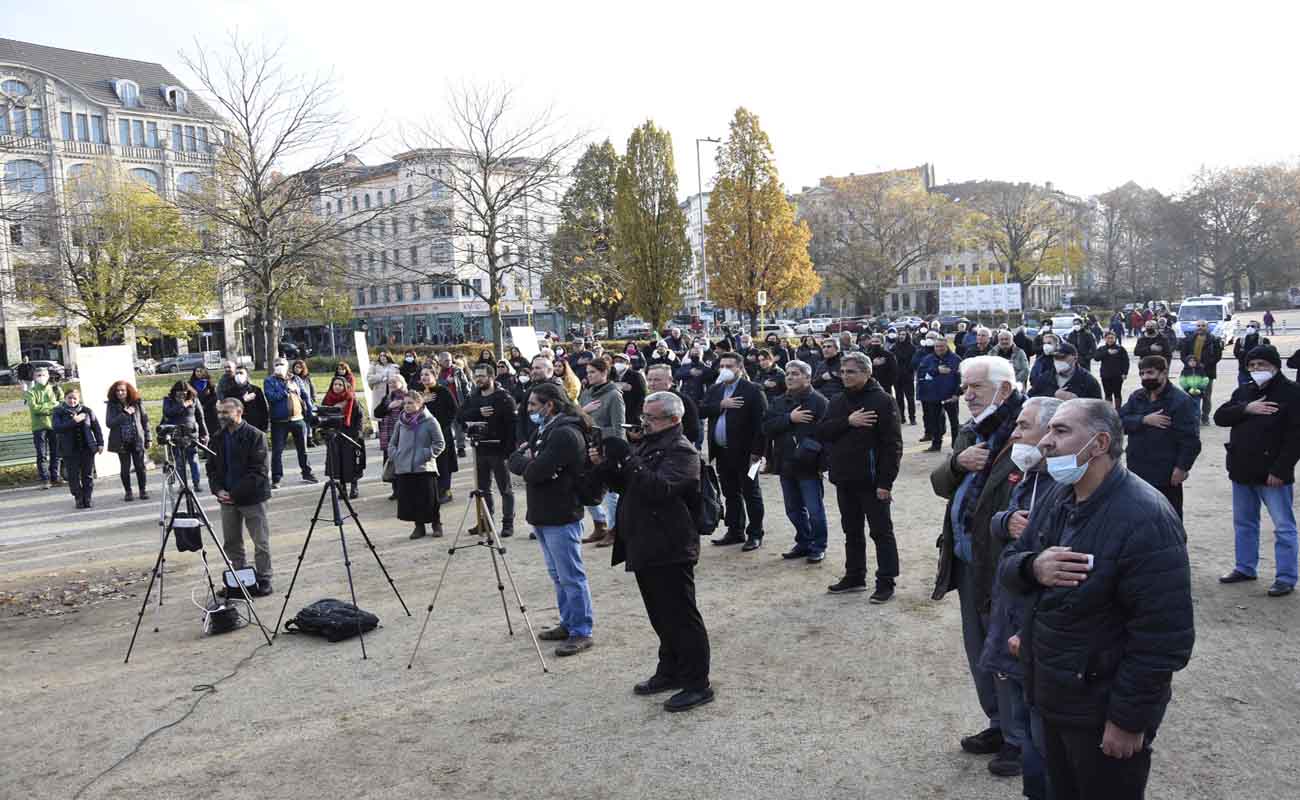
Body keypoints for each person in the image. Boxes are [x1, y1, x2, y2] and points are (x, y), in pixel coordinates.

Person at [998, 399, 1195, 799]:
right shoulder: (1059, 495)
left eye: (1061, 431)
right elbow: (1008, 566)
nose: (1047, 442)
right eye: (1049, 430)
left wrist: (1128, 720)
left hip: (1100, 708)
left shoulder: (1145, 517)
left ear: (1100, 443)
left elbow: (1163, 637)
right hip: (1052, 695)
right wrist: (1034, 566)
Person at [928, 355, 1025, 762]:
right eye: (965, 387)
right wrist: (956, 462)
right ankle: (998, 725)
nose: (966, 395)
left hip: (1007, 567)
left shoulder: (1028, 433)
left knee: (1007, 651)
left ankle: (1020, 740)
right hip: (969, 560)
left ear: (1003, 390)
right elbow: (940, 484)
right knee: (980, 649)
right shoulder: (973, 431)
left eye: (975, 388)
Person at [592, 391, 713, 712]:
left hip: (671, 544)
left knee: (682, 617)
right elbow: (629, 485)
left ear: (674, 420)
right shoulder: (649, 443)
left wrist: (628, 460)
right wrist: (607, 465)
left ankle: (698, 683)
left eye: (651, 418)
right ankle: (670, 669)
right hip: (644, 541)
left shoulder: (682, 451)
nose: (644, 423)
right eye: (644, 416)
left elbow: (659, 489)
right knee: (659, 614)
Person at [981, 396, 1061, 790]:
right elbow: (998, 517)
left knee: (1042, 726)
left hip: (1033, 621)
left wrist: (1027, 628)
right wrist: (1005, 520)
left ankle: (1024, 750)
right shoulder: (1028, 474)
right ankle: (1014, 741)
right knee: (1011, 686)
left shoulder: (1065, 485)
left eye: (1023, 426)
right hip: (1010, 605)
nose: (1014, 434)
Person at [508, 381, 596, 657]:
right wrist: (528, 462)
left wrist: (529, 463)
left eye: (534, 405)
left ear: (550, 405)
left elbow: (535, 471)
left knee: (571, 575)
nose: (529, 410)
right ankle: (568, 622)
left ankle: (581, 630)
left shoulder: (565, 433)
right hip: (543, 510)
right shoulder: (545, 429)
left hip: (561, 511)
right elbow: (518, 459)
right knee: (557, 575)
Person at [1214, 344, 1300, 596]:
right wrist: (1246, 409)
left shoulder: (1292, 393)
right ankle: (1245, 567)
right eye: (1251, 365)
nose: (1256, 369)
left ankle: (1285, 576)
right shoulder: (1245, 390)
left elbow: (1296, 437)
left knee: (1283, 527)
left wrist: (1281, 469)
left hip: (1273, 474)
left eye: (1261, 365)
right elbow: (1221, 416)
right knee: (1244, 523)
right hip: (1242, 470)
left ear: (1274, 366)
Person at [815, 353, 902, 597]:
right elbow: (822, 431)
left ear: (867, 373)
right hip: (844, 479)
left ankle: (886, 581)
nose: (845, 376)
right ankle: (855, 576)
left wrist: (886, 482)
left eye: (851, 372)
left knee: (881, 532)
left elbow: (892, 445)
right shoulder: (837, 400)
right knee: (851, 531)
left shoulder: (883, 401)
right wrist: (848, 421)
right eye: (842, 372)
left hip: (873, 482)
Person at [763, 360, 830, 562]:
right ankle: (803, 541)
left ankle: (818, 545)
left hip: (809, 466)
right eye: (788, 374)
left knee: (814, 510)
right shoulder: (779, 401)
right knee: (792, 509)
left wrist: (820, 463)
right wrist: (789, 419)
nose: (790, 377)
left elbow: (827, 434)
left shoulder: (819, 401)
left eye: (795, 374)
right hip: (785, 463)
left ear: (808, 378)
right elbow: (766, 427)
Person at [701, 352, 769, 550]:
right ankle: (735, 531)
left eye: (729, 366)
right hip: (722, 451)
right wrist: (721, 405)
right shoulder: (715, 390)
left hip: (749, 454)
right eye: (722, 365)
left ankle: (755, 533)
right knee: (730, 493)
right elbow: (701, 410)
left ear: (739, 367)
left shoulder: (753, 390)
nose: (725, 369)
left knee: (751, 492)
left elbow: (761, 424)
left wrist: (758, 452)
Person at [1119, 356, 1201, 519]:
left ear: (1164, 373)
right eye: (1142, 373)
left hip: (1165, 472)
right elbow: (1118, 422)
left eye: (1150, 373)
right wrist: (1143, 420)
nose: (1145, 378)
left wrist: (1182, 468)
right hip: (1137, 467)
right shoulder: (1137, 397)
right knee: (1138, 516)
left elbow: (1190, 440)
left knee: (1168, 517)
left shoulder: (1181, 401)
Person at [209, 398, 275, 597]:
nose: (221, 416)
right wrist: (218, 490)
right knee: (231, 542)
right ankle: (238, 579)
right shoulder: (218, 437)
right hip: (226, 499)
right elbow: (211, 468)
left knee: (260, 541)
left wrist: (234, 494)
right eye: (220, 412)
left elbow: (259, 471)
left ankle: (264, 578)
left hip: (252, 497)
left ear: (239, 412)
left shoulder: (255, 436)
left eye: (226, 412)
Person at [459, 362, 518, 537]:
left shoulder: (504, 398)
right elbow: (460, 416)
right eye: (476, 376)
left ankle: (508, 524)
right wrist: (477, 412)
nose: (478, 379)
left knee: (505, 489)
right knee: (483, 489)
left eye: (482, 376)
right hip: (480, 450)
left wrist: (509, 451)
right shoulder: (473, 397)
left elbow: (512, 426)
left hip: (499, 450)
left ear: (491, 377)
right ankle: (486, 522)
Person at [579, 357, 626, 547]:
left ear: (604, 373)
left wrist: (599, 431)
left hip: (607, 449)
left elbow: (619, 428)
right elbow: (578, 419)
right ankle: (600, 524)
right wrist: (583, 412)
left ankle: (615, 531)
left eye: (593, 372)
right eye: (588, 372)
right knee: (586, 487)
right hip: (587, 447)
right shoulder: (587, 393)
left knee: (611, 493)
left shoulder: (614, 395)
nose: (589, 376)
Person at [388, 392, 446, 539]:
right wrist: (397, 456)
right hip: (404, 467)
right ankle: (419, 527)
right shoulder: (400, 423)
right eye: (405, 403)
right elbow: (392, 444)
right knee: (411, 499)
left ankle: (436, 524)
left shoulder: (430, 421)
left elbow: (440, 443)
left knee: (429, 499)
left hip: (424, 467)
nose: (407, 406)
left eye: (411, 403)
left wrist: (425, 455)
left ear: (420, 404)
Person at [264, 358, 317, 489]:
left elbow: (305, 396)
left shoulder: (296, 379)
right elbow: (271, 397)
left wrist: (310, 413)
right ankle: (276, 478)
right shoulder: (269, 381)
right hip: (279, 422)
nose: (279, 367)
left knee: (303, 449)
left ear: (287, 366)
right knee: (277, 452)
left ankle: (307, 473)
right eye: (276, 365)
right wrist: (285, 390)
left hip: (298, 420)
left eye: (282, 364)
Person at [52, 389, 104, 509]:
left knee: (88, 475)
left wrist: (100, 443)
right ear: (65, 398)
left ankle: (88, 497)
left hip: (87, 448)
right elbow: (57, 428)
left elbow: (96, 428)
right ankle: (78, 497)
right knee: (73, 476)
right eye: (69, 398)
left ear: (78, 399)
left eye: (75, 398)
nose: (72, 400)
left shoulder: (87, 411)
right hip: (69, 449)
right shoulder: (58, 411)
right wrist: (73, 421)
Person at [418, 367, 460, 505]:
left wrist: (442, 426)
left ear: (434, 376)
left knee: (444, 463)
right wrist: (422, 401)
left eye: (427, 374)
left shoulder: (443, 391)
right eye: (422, 375)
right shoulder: (419, 395)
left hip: (442, 433)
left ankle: (446, 491)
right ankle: (433, 491)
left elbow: (453, 410)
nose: (424, 377)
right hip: (424, 435)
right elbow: (412, 411)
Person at [106, 380, 151, 502]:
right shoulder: (112, 405)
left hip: (137, 439)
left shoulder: (137, 403)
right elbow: (109, 423)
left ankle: (143, 490)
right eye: (118, 391)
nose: (120, 393)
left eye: (123, 390)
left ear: (128, 391)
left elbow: (145, 421)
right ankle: (128, 492)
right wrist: (124, 413)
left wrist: (148, 437)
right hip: (122, 441)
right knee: (125, 468)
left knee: (140, 467)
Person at [321, 376, 365, 499]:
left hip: (350, 435)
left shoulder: (351, 399)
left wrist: (357, 434)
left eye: (340, 385)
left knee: (351, 463)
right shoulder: (327, 399)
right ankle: (342, 489)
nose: (337, 387)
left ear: (345, 386)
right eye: (335, 384)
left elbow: (360, 418)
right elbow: (323, 417)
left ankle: (354, 487)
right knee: (338, 463)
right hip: (335, 436)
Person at [917, 336, 962, 451]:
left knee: (954, 422)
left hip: (950, 396)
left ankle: (955, 446)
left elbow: (961, 379)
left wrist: (957, 394)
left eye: (941, 346)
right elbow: (921, 373)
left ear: (946, 346)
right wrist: (936, 371)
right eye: (936, 346)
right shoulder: (928, 359)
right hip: (933, 396)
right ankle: (936, 444)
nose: (939, 348)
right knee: (935, 422)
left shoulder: (956, 359)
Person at [162, 381, 209, 491]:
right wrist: (181, 405)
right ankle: (182, 485)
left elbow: (200, 418)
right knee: (179, 461)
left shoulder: (194, 400)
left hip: (191, 433)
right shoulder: (168, 401)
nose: (182, 395)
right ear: (174, 392)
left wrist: (205, 433)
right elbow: (167, 413)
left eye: (184, 393)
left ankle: (196, 483)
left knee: (193, 459)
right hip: (176, 434)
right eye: (179, 393)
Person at [23, 366, 63, 489]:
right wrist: (51, 406)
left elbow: (61, 405)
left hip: (54, 425)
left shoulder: (55, 389)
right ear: (34, 377)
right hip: (38, 427)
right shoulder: (30, 392)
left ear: (48, 376)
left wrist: (45, 408)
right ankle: (45, 479)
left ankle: (55, 478)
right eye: (38, 375)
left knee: (55, 453)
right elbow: (34, 409)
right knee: (41, 454)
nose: (41, 377)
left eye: (44, 375)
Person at [646, 363, 700, 448]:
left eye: (657, 380)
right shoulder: (647, 399)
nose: (652, 383)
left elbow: (693, 432)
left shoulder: (683, 401)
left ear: (670, 380)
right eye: (649, 380)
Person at [1180, 319, 1223, 423]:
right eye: (1198, 325)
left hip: (1207, 373)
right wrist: (1189, 364)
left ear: (1207, 327)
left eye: (1203, 326)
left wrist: (1206, 364)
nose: (1200, 327)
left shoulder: (1214, 340)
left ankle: (1205, 417)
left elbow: (1217, 356)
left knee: (1206, 396)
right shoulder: (1188, 339)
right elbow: (1183, 354)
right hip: (1191, 372)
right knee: (1190, 395)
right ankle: (1194, 417)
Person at [374, 374, 409, 501]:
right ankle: (396, 490)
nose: (392, 385)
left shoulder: (408, 396)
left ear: (402, 382)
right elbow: (377, 412)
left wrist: (402, 404)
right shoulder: (387, 398)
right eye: (390, 383)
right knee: (391, 464)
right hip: (389, 436)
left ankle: (405, 491)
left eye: (395, 382)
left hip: (404, 435)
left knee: (403, 464)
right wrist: (389, 406)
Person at [1029, 342, 1102, 400]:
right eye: (1056, 358)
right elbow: (1031, 397)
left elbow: (1097, 409)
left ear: (1075, 358)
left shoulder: (1088, 381)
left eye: (1062, 357)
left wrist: (1077, 401)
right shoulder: (1045, 377)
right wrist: (1053, 394)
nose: (1058, 361)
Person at [888, 328, 918, 426]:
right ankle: (901, 417)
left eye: (904, 334)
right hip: (897, 377)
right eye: (900, 334)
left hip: (908, 377)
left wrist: (909, 370)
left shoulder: (912, 348)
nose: (901, 336)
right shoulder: (894, 347)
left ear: (907, 336)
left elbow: (914, 363)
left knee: (910, 398)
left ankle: (912, 418)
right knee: (899, 398)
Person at [1096, 330, 1130, 412]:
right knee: (1108, 394)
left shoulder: (1120, 349)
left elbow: (1126, 362)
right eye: (1108, 338)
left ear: (1115, 338)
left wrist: (1125, 373)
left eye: (1112, 338)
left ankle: (1118, 410)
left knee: (1117, 393)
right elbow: (1096, 358)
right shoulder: (1102, 348)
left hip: (1117, 375)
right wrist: (1106, 352)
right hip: (1105, 375)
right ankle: (1109, 410)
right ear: (1105, 339)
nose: (1110, 340)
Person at [611, 352, 647, 425]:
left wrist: (637, 413)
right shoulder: (611, 376)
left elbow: (642, 394)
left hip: (631, 412)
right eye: (616, 361)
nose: (617, 363)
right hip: (616, 411)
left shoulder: (636, 376)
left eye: (621, 361)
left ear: (627, 363)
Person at [229, 366, 269, 432]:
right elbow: (230, 408)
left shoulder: (256, 390)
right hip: (237, 427)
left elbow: (263, 409)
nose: (238, 375)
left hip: (255, 425)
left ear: (247, 375)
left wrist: (265, 426)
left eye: (241, 373)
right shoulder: (230, 391)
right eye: (236, 373)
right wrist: (243, 400)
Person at [1233, 322, 1270, 386]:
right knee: (1243, 392)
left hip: (1259, 372)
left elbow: (1267, 355)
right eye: (1248, 326)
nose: (1249, 328)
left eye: (1252, 326)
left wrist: (1245, 352)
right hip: (1244, 372)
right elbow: (1237, 354)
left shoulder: (1264, 341)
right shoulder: (1240, 340)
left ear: (1258, 328)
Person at [290, 360, 317, 442]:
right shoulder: (292, 378)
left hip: (307, 402)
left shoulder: (307, 378)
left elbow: (312, 389)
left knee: (309, 420)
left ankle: (310, 438)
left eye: (300, 367)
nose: (297, 369)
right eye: (296, 367)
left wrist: (312, 399)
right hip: (297, 402)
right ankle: (303, 438)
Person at [189, 367, 219, 440]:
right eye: (197, 371)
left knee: (212, 428)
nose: (198, 373)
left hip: (209, 410)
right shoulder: (190, 384)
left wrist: (205, 405)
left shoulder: (209, 383)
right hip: (196, 410)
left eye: (200, 371)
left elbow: (215, 397)